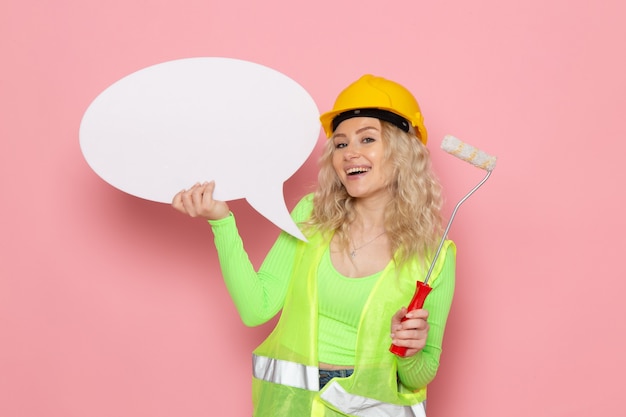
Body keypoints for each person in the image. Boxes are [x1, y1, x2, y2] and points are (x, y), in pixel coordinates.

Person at [172, 74, 456, 417]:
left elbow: (417, 378)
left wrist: (410, 350)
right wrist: (221, 220)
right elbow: (256, 308)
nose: (350, 153)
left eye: (367, 139)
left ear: (403, 153)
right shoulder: (311, 214)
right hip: (291, 408)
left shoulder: (434, 256)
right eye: (340, 144)